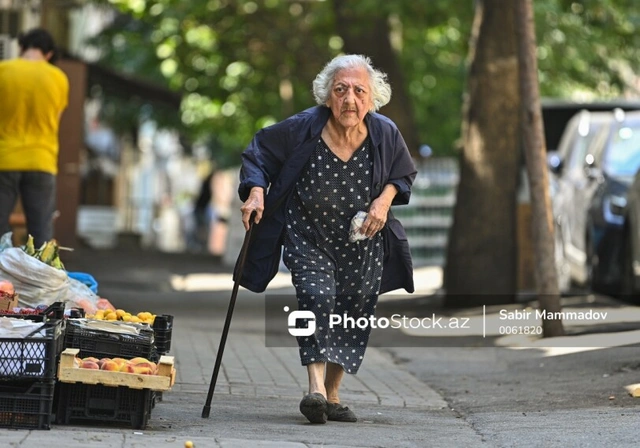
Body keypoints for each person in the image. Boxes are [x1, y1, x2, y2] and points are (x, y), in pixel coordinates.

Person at [238, 54, 417, 424]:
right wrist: (256, 192)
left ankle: (333, 396)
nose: (349, 99)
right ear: (327, 96)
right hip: (308, 235)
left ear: (372, 98)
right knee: (316, 298)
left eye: (358, 91)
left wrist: (383, 203)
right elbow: (258, 154)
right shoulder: (302, 127)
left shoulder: (385, 133)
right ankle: (315, 389)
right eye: (340, 90)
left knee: (354, 314)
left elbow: (402, 176)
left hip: (362, 241)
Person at [0, 28, 69, 247]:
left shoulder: (4, 71)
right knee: (41, 231)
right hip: (42, 159)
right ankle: (40, 279)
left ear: (21, 47)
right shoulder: (58, 78)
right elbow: (55, 120)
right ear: (48, 54)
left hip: (5, 158)